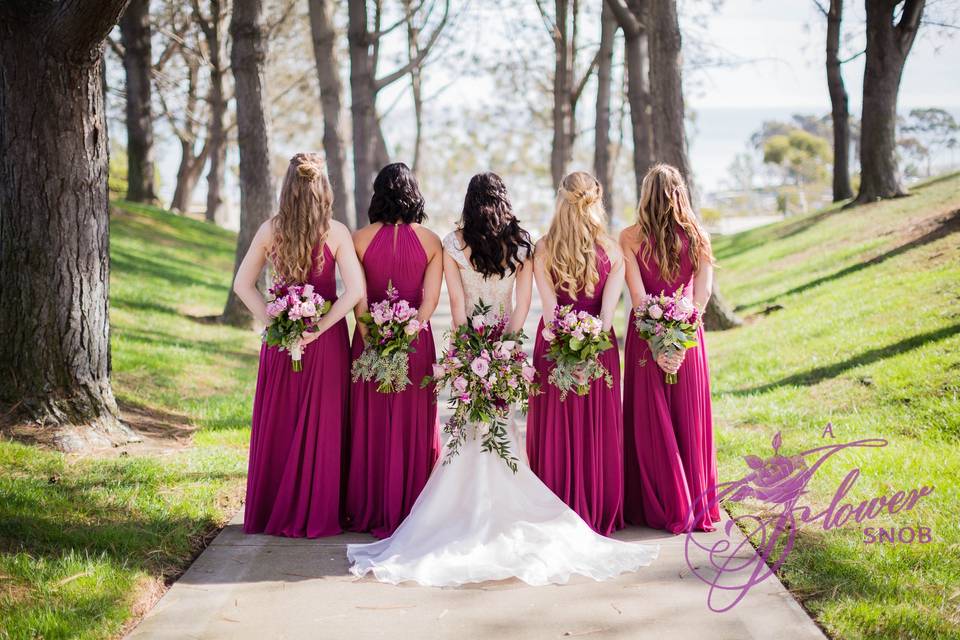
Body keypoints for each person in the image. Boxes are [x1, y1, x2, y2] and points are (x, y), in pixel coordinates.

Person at [235, 153, 364, 538]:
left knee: (282, 421)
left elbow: (243, 285)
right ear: (323, 187)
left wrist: (275, 320)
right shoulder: (336, 231)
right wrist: (320, 327)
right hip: (323, 344)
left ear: (287, 187)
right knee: (322, 424)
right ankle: (317, 509)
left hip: (282, 343)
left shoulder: (269, 230)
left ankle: (273, 509)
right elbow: (355, 291)